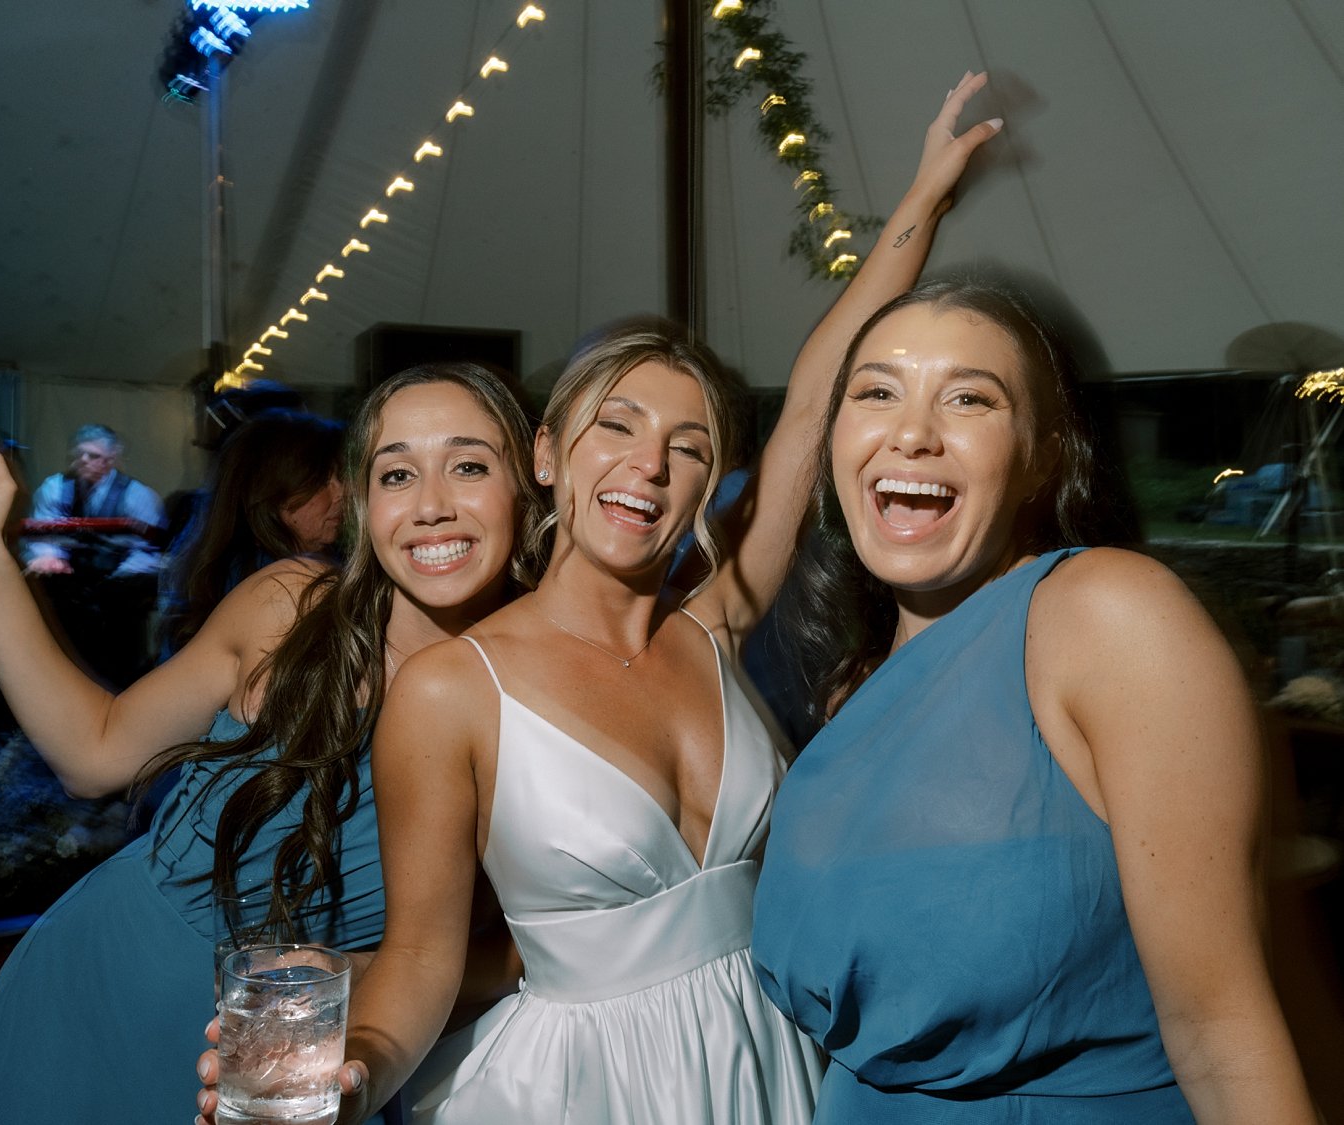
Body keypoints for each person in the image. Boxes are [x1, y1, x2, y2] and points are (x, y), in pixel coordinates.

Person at [197, 72, 1002, 1125]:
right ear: (548, 454)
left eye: (690, 445)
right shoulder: (449, 692)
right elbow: (422, 963)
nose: (649, 465)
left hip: (763, 1058)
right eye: (616, 425)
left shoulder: (714, 629)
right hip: (577, 1087)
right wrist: (353, 1082)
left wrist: (925, 201)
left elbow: (815, 398)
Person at [0, 362, 545, 1125]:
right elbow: (94, 753)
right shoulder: (289, 608)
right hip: (99, 976)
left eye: (468, 466)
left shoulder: (533, 704)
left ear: (529, 487)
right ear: (363, 501)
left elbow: (527, 948)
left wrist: (361, 984)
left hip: (292, 1044)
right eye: (397, 473)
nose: (431, 505)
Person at [750, 279, 1320, 1123]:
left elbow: (1223, 1027)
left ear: (1043, 455)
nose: (911, 432)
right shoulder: (852, 682)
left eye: (969, 399)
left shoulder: (1108, 615)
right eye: (876, 392)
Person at [159, 409, 347, 657]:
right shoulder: (272, 587)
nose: (341, 493)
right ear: (270, 494)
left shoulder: (224, 572)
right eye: (322, 480)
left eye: (340, 477)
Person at [22, 423, 167, 577]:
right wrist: (50, 556)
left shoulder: (137, 495)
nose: (84, 460)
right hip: (65, 582)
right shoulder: (54, 487)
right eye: (79, 454)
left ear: (110, 460)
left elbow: (148, 549)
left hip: (122, 582)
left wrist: (123, 578)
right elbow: (42, 531)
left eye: (93, 456)